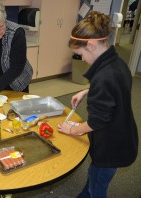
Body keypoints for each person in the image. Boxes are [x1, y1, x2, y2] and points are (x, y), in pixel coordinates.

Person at [57, 11, 138, 198]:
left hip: (111, 146)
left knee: (98, 187)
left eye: (80, 54)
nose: (82, 59)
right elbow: (115, 91)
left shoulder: (104, 77)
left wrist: (73, 130)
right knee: (94, 178)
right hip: (122, 134)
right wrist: (88, 91)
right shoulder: (117, 62)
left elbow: (96, 122)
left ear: (91, 46)